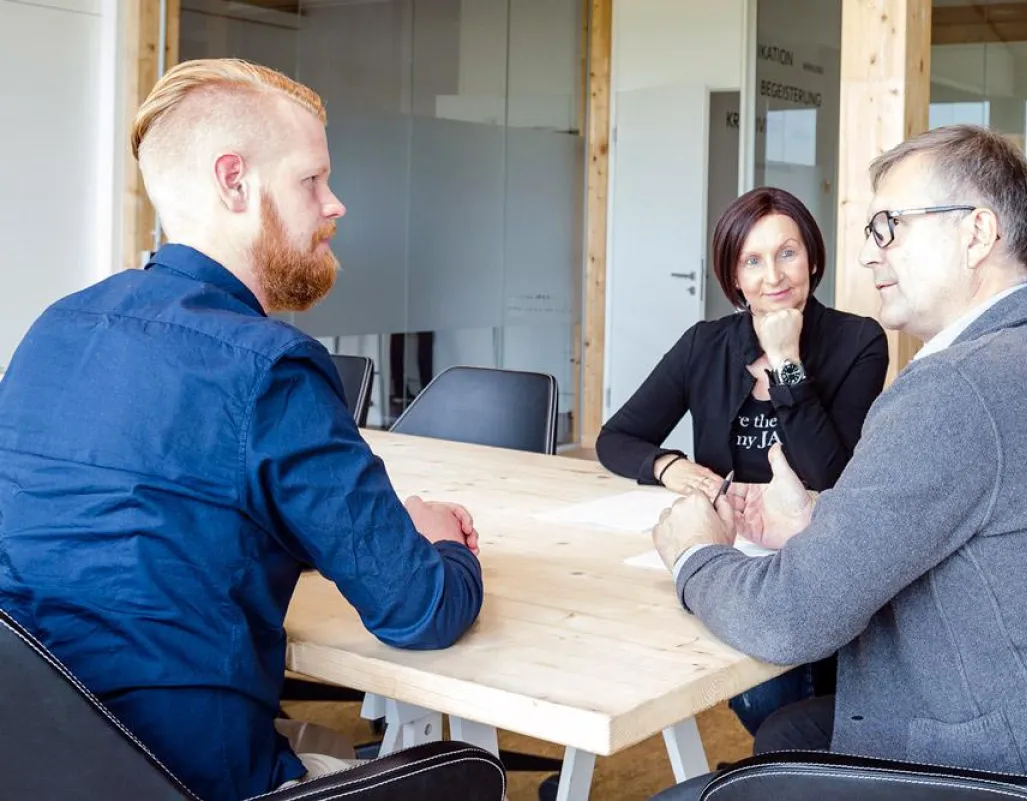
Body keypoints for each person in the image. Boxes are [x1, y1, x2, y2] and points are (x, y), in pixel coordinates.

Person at [0, 59, 483, 801]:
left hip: (39, 760)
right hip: (193, 778)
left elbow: (162, 513)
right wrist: (440, 538)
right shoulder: (270, 367)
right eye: (311, 180)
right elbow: (421, 609)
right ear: (235, 182)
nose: (336, 204)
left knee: (322, 738)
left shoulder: (54, 327)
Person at [649, 124, 1027, 800]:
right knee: (788, 732)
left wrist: (695, 556)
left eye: (888, 226)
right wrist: (820, 517)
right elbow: (983, 517)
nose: (867, 254)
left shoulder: (956, 385)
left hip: (1008, 765)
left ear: (977, 234)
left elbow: (792, 617)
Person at [595, 186, 888, 733]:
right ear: (733, 277)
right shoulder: (704, 345)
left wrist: (784, 361)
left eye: (787, 253)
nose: (773, 276)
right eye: (752, 260)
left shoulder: (858, 341)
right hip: (725, 554)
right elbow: (617, 437)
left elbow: (832, 474)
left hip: (804, 564)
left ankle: (787, 764)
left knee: (770, 702)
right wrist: (669, 466)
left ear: (814, 258)